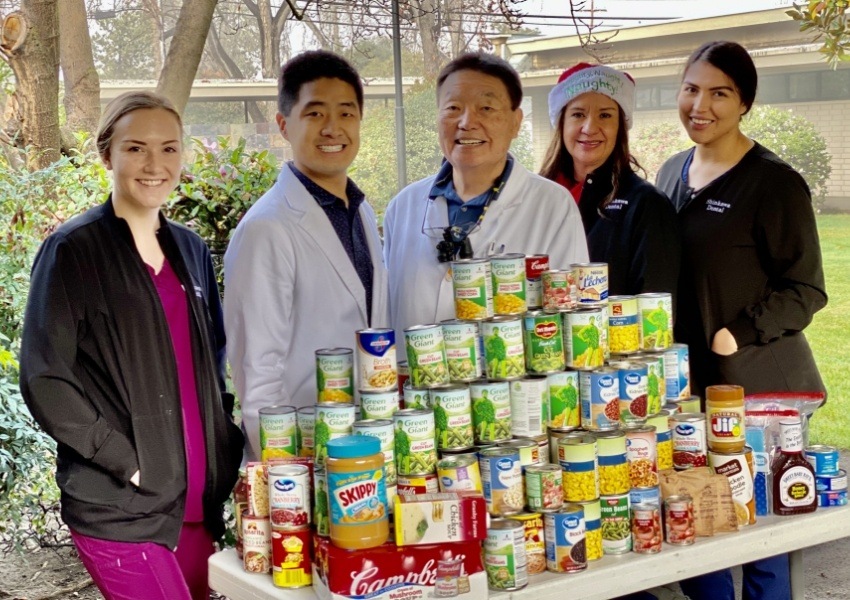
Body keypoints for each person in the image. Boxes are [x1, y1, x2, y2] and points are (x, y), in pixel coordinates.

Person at [19, 91, 243, 600]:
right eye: (136, 148)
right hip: (120, 504)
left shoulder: (190, 249)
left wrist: (223, 444)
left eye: (169, 149)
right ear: (107, 155)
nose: (154, 164)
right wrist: (125, 459)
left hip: (197, 502)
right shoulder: (73, 250)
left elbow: (213, 361)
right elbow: (44, 375)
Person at [656, 41, 827, 600]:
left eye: (720, 93)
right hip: (688, 388)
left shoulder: (773, 183)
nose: (700, 104)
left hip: (758, 388)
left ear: (745, 103)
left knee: (759, 537)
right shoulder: (670, 172)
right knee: (698, 524)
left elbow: (806, 288)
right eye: (691, 89)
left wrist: (740, 330)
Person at [224, 50, 389, 460]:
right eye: (315, 114)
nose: (333, 128)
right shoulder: (267, 228)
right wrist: (284, 476)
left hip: (366, 449)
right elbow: (256, 370)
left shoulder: (360, 210)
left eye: (347, 114)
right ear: (284, 125)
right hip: (303, 458)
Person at [384, 52, 588, 338]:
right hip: (415, 380)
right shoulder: (403, 207)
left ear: (516, 122)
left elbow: (568, 320)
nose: (467, 122)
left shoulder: (552, 205)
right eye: (453, 108)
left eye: (486, 108)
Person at [541, 62, 679, 296]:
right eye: (578, 114)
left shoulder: (646, 204)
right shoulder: (538, 197)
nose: (590, 127)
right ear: (561, 123)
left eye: (605, 115)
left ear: (620, 127)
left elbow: (654, 307)